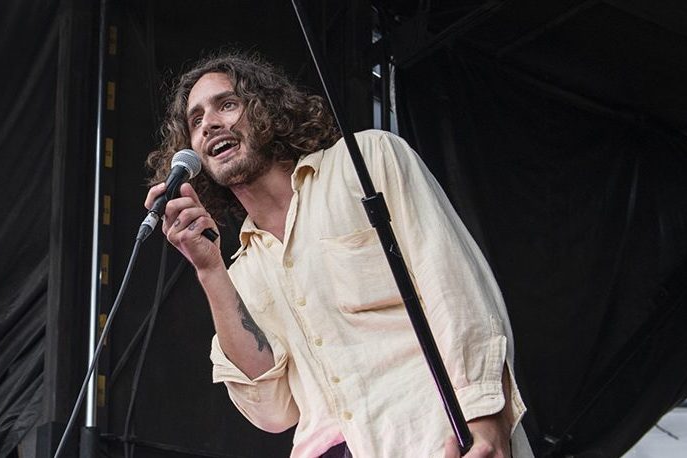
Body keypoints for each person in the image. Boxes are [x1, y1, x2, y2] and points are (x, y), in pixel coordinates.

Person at [145, 51, 533, 458]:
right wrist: (209, 270)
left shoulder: (365, 162)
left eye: (227, 104)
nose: (209, 123)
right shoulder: (242, 270)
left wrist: (485, 421)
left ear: (266, 110)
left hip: (433, 433)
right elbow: (273, 410)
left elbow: (453, 286)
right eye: (195, 120)